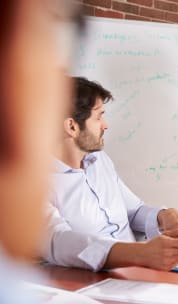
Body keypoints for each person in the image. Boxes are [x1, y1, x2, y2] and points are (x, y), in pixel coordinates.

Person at [41, 77, 178, 272]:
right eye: (99, 117)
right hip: (89, 284)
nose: (105, 125)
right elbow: (57, 241)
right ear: (72, 127)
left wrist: (163, 215)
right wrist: (139, 253)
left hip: (137, 273)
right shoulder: (31, 179)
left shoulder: (99, 160)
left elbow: (133, 211)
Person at [0, 0, 85, 302]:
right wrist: (132, 252)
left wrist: (162, 215)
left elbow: (136, 208)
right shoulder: (46, 171)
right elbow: (54, 237)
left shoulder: (102, 164)